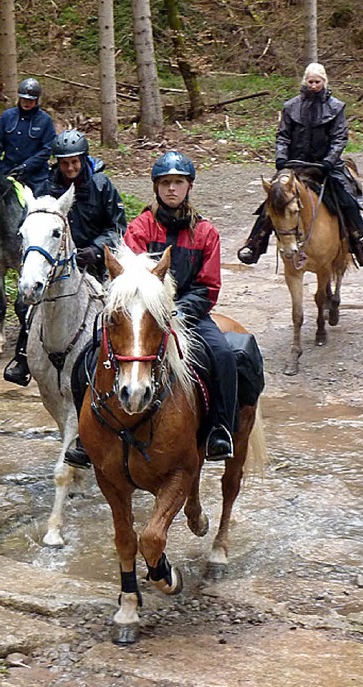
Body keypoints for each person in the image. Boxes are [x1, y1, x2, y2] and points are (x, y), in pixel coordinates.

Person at [124, 151, 237, 462]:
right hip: (144, 314)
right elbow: (131, 278)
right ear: (156, 187)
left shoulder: (205, 232)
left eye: (178, 182)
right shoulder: (140, 228)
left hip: (189, 314)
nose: (171, 189)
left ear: (189, 187)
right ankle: (87, 432)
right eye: (165, 183)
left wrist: (179, 312)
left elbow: (208, 286)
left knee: (224, 355)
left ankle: (221, 430)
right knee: (95, 349)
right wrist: (155, 310)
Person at [3, 129, 126, 389]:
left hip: (94, 261)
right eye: (64, 163)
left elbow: (118, 228)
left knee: (116, 306)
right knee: (24, 303)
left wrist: (95, 249)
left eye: (74, 162)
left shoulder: (102, 186)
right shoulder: (46, 188)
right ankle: (23, 357)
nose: (70, 168)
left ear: (83, 160)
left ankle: (117, 360)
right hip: (56, 263)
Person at [238, 62, 363, 266]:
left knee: (345, 197)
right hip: (294, 165)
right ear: (305, 81)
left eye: (317, 81)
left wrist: (329, 160)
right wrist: (281, 158)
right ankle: (254, 243)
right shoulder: (291, 106)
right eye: (310, 81)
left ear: (324, 82)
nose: (313, 85)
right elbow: (283, 136)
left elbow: (339, 138)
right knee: (275, 197)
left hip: (325, 165)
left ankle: (361, 241)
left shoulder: (336, 107)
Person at [0, 77, 57, 196]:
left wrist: (26, 166)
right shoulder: (7, 116)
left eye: (30, 100)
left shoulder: (45, 120)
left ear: (36, 101)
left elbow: (47, 149)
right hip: (8, 172)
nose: (26, 103)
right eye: (24, 99)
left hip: (36, 177)